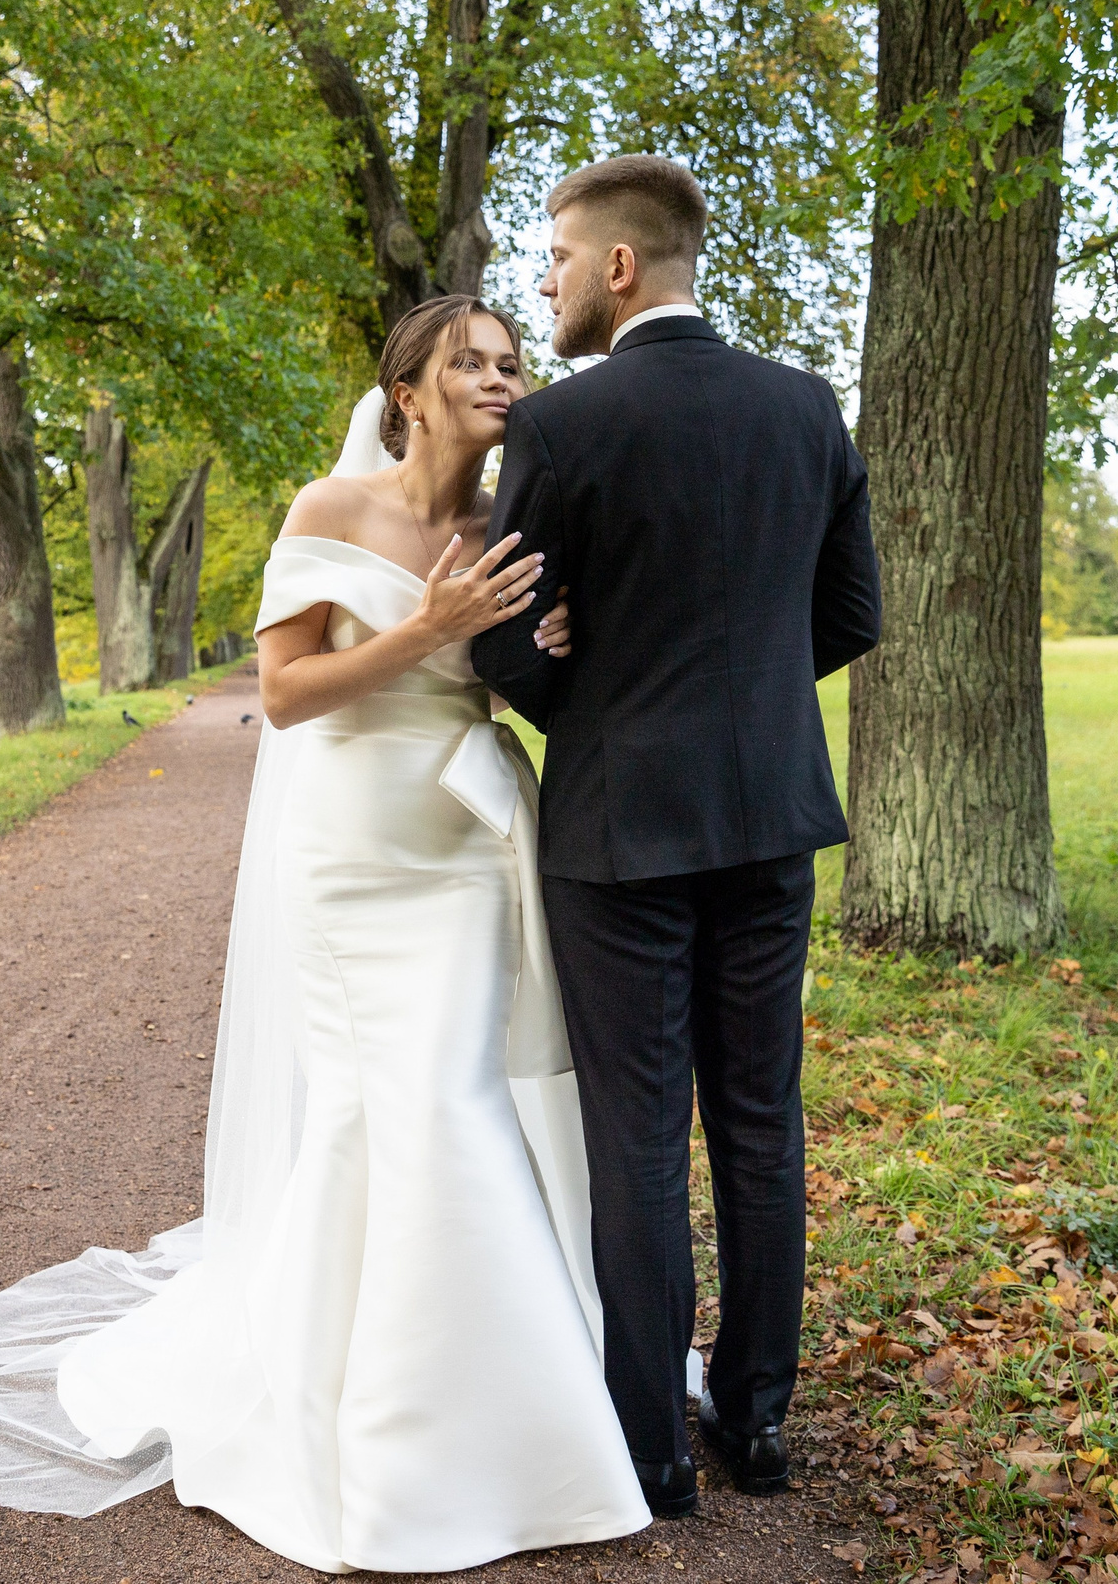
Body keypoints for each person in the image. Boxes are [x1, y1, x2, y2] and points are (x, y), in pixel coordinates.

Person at [0, 295, 653, 1574]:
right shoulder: (328, 509)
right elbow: (288, 694)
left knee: (457, 1099)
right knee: (382, 1111)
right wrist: (425, 631)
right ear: (405, 394)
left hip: (469, 844)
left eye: (512, 362)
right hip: (355, 848)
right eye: (468, 361)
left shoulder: (511, 527)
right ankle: (378, 1432)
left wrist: (552, 646)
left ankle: (492, 1421)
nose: (499, 378)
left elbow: (536, 688)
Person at [472, 155, 882, 1518]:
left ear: (619, 265)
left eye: (556, 258)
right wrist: (742, 706)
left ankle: (651, 1446)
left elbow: (494, 634)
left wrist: (602, 711)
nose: (547, 284)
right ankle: (755, 1420)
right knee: (760, 1120)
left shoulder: (561, 425)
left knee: (640, 1133)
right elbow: (851, 613)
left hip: (619, 832)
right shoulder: (804, 406)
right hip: (770, 820)